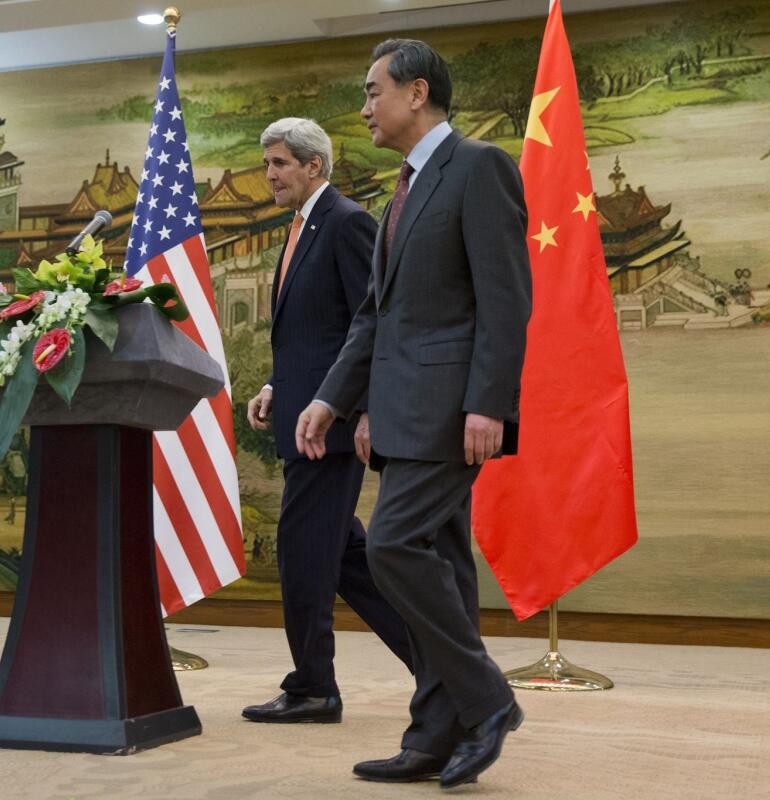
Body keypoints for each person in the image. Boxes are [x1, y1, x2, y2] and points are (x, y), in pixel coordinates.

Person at [294, 40, 532, 787]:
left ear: (416, 93)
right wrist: (336, 399)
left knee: (392, 546)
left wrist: (490, 403)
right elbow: (375, 318)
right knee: (448, 573)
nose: (363, 108)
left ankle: (488, 700)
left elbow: (506, 299)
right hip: (399, 413)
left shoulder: (480, 167)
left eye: (372, 92)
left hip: (448, 411)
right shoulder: (396, 191)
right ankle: (435, 734)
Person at [241, 117, 413, 725]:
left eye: (281, 164)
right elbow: (316, 333)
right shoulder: (302, 226)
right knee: (347, 562)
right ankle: (445, 668)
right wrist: (275, 386)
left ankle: (313, 687)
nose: (270, 176)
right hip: (302, 415)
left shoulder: (345, 223)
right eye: (267, 165)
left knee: (302, 556)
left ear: (315, 165)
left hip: (329, 430)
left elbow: (371, 324)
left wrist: (360, 408)